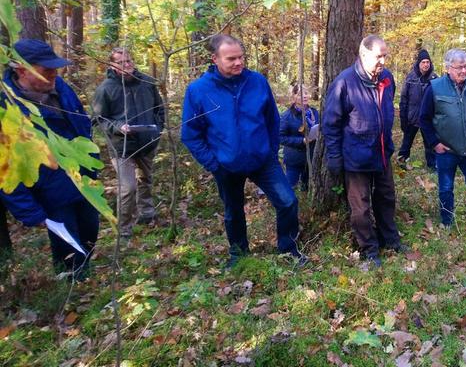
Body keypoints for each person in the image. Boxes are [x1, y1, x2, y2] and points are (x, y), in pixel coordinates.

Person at [181, 34, 304, 267]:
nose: (238, 62)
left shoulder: (257, 81)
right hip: (225, 164)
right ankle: (239, 256)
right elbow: (190, 134)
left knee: (288, 201)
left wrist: (270, 150)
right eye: (231, 59)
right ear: (215, 59)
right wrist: (214, 164)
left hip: (263, 160)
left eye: (241, 57)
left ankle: (288, 250)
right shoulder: (198, 90)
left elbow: (272, 120)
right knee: (233, 212)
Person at [0, 39, 100, 280]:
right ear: (22, 70)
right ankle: (70, 291)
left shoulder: (60, 87)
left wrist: (91, 166)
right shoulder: (7, 109)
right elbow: (5, 172)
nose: (54, 74)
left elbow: (81, 122)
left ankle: (85, 278)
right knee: (68, 247)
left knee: (89, 231)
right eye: (46, 70)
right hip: (50, 192)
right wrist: (30, 212)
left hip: (83, 182)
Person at [322, 35, 406, 268]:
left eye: (385, 56)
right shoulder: (344, 82)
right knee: (360, 207)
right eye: (378, 56)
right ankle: (369, 248)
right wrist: (335, 157)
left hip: (382, 153)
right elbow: (331, 124)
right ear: (363, 54)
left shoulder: (387, 78)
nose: (383, 61)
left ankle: (390, 239)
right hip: (356, 156)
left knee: (386, 197)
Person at [419, 49, 466, 237]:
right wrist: (435, 144)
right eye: (459, 67)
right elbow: (424, 119)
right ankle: (447, 221)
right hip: (446, 150)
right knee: (445, 188)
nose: (464, 71)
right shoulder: (434, 87)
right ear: (448, 68)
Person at [93, 48, 165, 239]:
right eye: (122, 62)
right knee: (128, 188)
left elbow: (159, 109)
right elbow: (98, 119)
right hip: (121, 146)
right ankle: (123, 229)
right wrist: (118, 126)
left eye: (130, 60)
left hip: (147, 141)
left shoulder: (147, 82)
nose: (127, 64)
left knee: (146, 179)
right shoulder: (105, 88)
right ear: (112, 65)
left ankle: (147, 213)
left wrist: (158, 129)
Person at [397, 49, 438, 170]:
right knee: (406, 142)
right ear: (419, 63)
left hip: (428, 118)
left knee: (430, 143)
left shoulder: (435, 78)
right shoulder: (410, 77)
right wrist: (403, 118)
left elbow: (439, 100)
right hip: (412, 117)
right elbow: (404, 99)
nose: (426, 64)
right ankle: (402, 162)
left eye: (428, 62)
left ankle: (432, 165)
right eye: (423, 62)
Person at [279, 83, 319, 192]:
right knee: (290, 189)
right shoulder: (287, 116)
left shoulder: (314, 113)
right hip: (294, 159)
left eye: (306, 93)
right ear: (294, 97)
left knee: (306, 190)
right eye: (301, 94)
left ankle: (304, 208)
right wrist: (302, 141)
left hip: (311, 158)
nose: (305, 96)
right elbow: (280, 137)